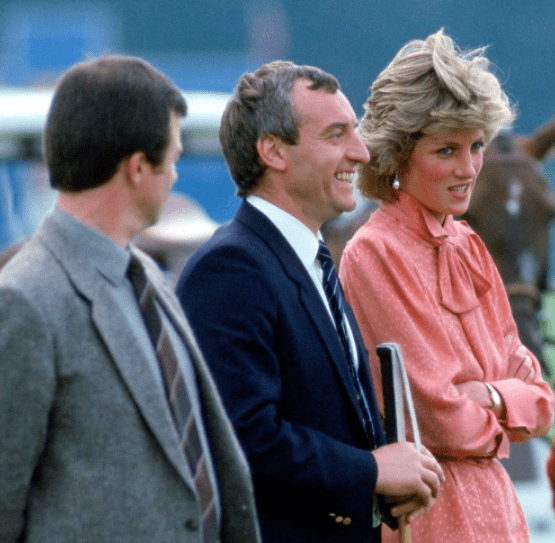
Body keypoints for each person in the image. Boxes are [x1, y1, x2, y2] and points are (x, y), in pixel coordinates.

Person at [176, 60, 444, 543]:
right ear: (274, 151)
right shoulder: (230, 269)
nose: (360, 152)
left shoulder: (311, 259)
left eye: (355, 133)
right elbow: (244, 438)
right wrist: (371, 471)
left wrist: (390, 481)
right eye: (336, 134)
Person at [0, 55, 261, 543]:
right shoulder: (24, 301)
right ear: (138, 167)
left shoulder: (151, 283)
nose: (177, 177)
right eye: (175, 158)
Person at [338, 29, 555, 543]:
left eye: (476, 145)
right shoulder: (375, 252)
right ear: (396, 155)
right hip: (431, 518)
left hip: (503, 514)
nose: (468, 168)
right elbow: (440, 422)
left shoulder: (470, 245)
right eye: (446, 150)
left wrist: (484, 397)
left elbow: (542, 399)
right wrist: (506, 401)